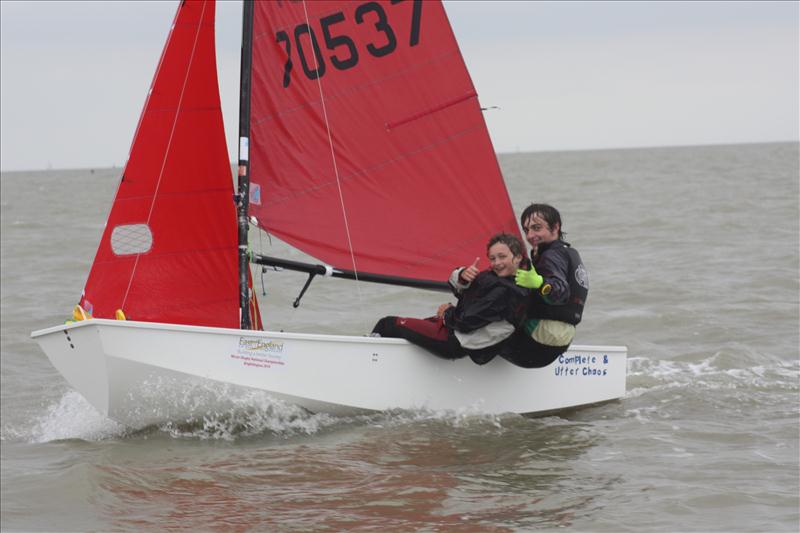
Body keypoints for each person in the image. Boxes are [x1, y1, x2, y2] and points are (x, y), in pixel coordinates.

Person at [371, 233, 529, 364]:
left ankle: (367, 368)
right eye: (493, 258)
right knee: (405, 327)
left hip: (454, 341)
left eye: (502, 257)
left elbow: (466, 322)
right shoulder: (497, 277)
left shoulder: (508, 291)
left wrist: (447, 312)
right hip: (456, 331)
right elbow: (461, 292)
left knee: (388, 324)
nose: (497, 263)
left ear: (517, 257)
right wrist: (462, 276)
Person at [505, 203, 588, 368]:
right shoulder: (567, 252)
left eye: (536, 228)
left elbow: (560, 291)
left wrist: (540, 283)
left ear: (555, 227)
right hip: (561, 339)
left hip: (539, 338)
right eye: (526, 230)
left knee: (479, 330)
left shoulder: (551, 256)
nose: (530, 235)